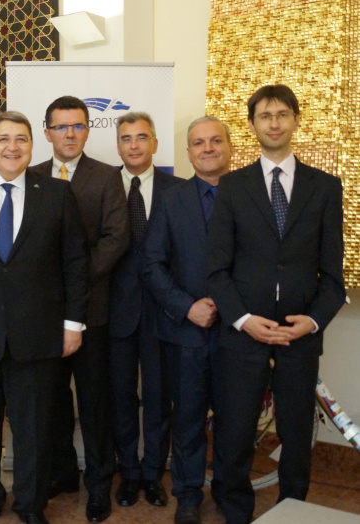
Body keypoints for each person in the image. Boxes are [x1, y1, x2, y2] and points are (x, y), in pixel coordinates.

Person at [207, 85, 345, 524]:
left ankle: (292, 510)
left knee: (296, 431)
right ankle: (235, 511)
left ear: (296, 120)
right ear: (252, 125)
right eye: (264, 115)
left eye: (282, 114)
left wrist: (313, 321)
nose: (274, 123)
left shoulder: (325, 187)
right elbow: (217, 271)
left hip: (299, 336)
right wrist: (244, 320)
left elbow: (333, 277)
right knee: (235, 430)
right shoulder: (231, 187)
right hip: (245, 334)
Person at [0, 111, 89, 524]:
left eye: (21, 139)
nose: (12, 147)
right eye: (3, 139)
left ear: (32, 145)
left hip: (38, 334)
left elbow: (75, 264)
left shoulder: (57, 194)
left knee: (34, 430)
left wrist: (73, 325)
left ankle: (30, 503)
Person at [30, 96, 129, 523]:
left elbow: (115, 239)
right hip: (42, 317)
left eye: (78, 126)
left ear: (88, 130)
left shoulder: (107, 177)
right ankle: (63, 474)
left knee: (94, 405)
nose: (70, 134)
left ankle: (98, 486)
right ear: (47, 131)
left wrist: (71, 283)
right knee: (51, 404)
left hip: (94, 312)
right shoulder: (29, 176)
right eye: (62, 127)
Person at [142, 116, 232, 524]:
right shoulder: (170, 199)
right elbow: (152, 265)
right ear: (189, 151)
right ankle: (189, 494)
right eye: (199, 143)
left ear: (229, 146)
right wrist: (187, 306)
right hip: (185, 332)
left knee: (235, 421)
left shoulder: (250, 195)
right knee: (189, 419)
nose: (208, 148)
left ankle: (232, 495)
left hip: (237, 333)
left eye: (216, 141)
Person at [108, 111, 182, 509]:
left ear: (155, 143)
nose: (133, 145)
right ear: (117, 145)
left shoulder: (178, 189)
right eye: (125, 138)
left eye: (141, 137)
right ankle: (129, 473)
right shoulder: (102, 186)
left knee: (157, 397)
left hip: (163, 313)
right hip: (115, 314)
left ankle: (153, 473)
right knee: (120, 397)